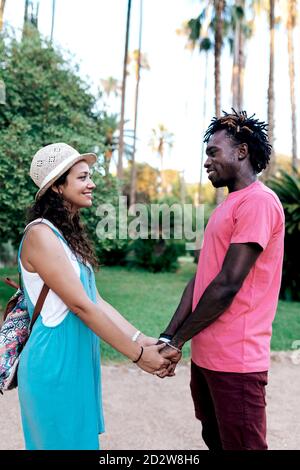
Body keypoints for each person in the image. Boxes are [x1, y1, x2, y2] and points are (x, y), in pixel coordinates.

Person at [17, 142, 170, 450]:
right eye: (83, 177)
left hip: (75, 361)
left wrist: (142, 339)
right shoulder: (40, 235)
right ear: (58, 186)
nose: (92, 184)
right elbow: (80, 306)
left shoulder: (65, 234)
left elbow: (95, 299)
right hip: (54, 362)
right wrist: (138, 356)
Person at [158, 110, 285, 450]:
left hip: (237, 362)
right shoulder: (228, 206)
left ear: (241, 152)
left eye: (213, 152)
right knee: (214, 441)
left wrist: (178, 341)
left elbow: (227, 284)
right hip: (207, 358)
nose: (206, 162)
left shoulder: (259, 202)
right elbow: (201, 279)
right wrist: (169, 335)